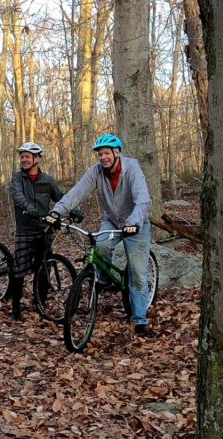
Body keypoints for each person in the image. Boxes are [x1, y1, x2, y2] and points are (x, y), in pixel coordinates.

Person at [45, 133, 152, 332]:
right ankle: (102, 278)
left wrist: (135, 222)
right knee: (101, 244)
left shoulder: (132, 168)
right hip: (112, 220)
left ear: (117, 153)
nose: (103, 157)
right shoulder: (96, 172)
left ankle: (139, 317)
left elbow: (143, 198)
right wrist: (56, 211)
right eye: (100, 154)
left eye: (106, 153)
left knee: (137, 272)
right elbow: (77, 192)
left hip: (136, 223)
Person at [8, 142, 64, 321]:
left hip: (44, 229)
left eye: (27, 156)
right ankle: (16, 308)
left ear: (37, 159)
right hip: (25, 229)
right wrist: (28, 207)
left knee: (44, 267)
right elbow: (18, 196)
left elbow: (61, 198)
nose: (23, 159)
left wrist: (73, 209)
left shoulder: (47, 180)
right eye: (22, 156)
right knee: (19, 268)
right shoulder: (17, 178)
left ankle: (41, 303)